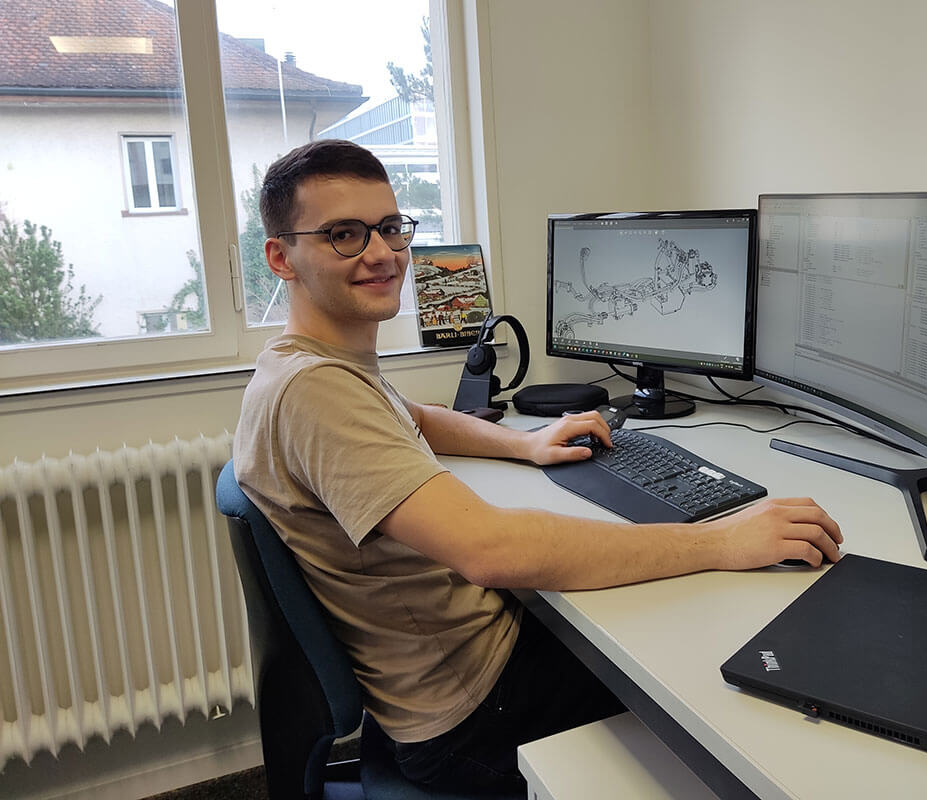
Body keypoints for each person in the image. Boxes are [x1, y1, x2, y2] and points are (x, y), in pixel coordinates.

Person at [233, 139, 843, 794]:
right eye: (344, 235)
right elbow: (491, 550)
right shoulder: (317, 393)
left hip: (454, 670)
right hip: (471, 712)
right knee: (710, 651)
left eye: (388, 227)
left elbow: (418, 417)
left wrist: (527, 444)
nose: (382, 253)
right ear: (281, 257)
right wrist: (720, 541)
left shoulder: (310, 363)